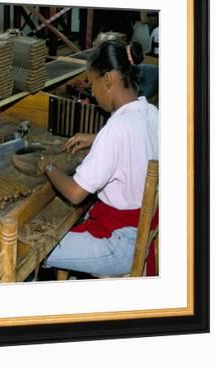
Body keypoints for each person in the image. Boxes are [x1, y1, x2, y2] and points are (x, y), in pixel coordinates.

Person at [40, 39, 159, 276]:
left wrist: (48, 167)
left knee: (35, 249)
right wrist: (96, 137)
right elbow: (135, 138)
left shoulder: (115, 130)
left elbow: (75, 194)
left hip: (118, 244)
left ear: (108, 80)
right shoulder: (152, 112)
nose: (93, 94)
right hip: (140, 231)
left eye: (92, 85)